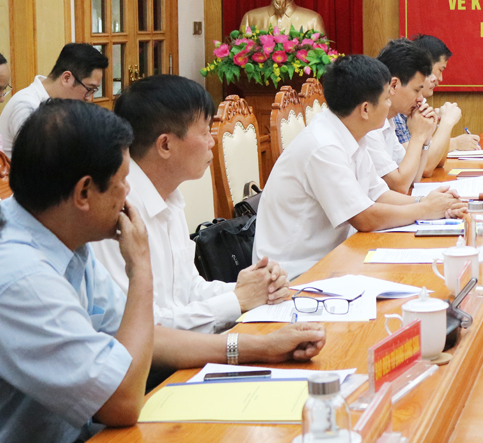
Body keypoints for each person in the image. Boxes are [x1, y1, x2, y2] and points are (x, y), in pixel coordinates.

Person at [0, 99, 325, 443]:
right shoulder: (22, 277)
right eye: (122, 182)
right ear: (83, 192)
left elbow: (148, 336)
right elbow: (121, 403)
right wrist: (140, 269)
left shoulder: (64, 235)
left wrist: (262, 348)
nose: (129, 194)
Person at [91, 75, 289, 334]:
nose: (212, 141)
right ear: (165, 144)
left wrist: (253, 287)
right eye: (205, 131)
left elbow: (187, 290)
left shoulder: (169, 196)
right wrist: (237, 300)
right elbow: (142, 327)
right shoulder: (118, 209)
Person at [253, 55, 465, 278]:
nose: (390, 104)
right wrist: (425, 210)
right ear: (365, 109)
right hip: (294, 274)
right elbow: (365, 218)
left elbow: (379, 194)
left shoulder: (353, 132)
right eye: (386, 99)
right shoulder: (323, 147)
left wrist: (430, 202)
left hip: (335, 258)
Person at [0, 43, 105, 157]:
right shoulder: (26, 105)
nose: (89, 98)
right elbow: (45, 163)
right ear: (66, 78)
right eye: (89, 89)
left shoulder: (62, 107)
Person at [400, 35, 480, 176]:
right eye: (440, 70)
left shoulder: (420, 103)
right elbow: (425, 168)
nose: (440, 79)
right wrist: (447, 123)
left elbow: (439, 161)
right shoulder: (398, 109)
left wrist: (443, 123)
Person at [366, 39, 438, 193]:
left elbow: (413, 178)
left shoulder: (389, 121)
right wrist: (417, 136)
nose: (421, 99)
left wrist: (425, 138)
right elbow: (400, 186)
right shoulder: (368, 123)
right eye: (417, 90)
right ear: (393, 85)